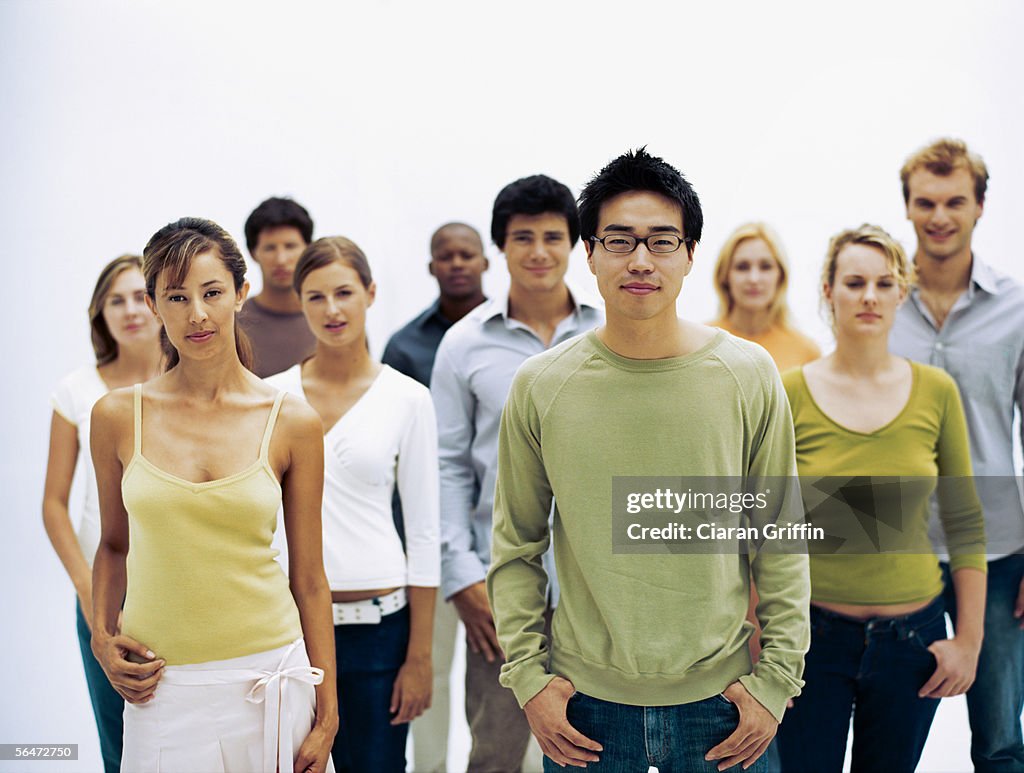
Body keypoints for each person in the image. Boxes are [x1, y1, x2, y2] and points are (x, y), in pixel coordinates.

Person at [487, 148, 810, 773]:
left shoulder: (748, 374)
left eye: (662, 241)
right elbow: (516, 545)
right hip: (584, 710)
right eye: (619, 240)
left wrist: (776, 683)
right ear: (590, 253)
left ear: (690, 254)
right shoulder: (540, 384)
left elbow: (780, 537)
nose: (640, 260)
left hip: (723, 705)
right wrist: (528, 679)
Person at [90, 217, 337, 773]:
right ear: (154, 305)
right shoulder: (115, 417)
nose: (196, 314)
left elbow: (311, 578)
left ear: (240, 293)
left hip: (271, 679)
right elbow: (111, 546)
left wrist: (327, 717)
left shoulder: (293, 421)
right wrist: (102, 640)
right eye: (176, 297)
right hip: (160, 688)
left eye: (211, 293)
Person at [777, 224, 987, 773]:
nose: (869, 295)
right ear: (829, 291)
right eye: (853, 282)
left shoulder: (937, 391)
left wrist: (968, 641)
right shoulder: (789, 392)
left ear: (902, 293)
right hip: (810, 643)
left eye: (883, 283)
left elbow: (965, 522)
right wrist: (762, 643)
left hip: (911, 641)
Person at [431, 174, 602, 772]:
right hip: (501, 588)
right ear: (500, 247)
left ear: (576, 244)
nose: (537, 251)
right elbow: (448, 467)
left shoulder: (613, 334)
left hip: (600, 589)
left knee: (596, 750)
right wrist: (461, 575)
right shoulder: (463, 345)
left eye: (553, 236)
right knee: (496, 752)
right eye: (522, 237)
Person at [268, 236, 440, 773]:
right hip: (286, 629)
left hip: (378, 636)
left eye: (344, 292)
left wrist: (419, 657)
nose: (332, 309)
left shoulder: (409, 398)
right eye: (316, 296)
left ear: (370, 292)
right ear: (300, 302)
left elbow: (426, 532)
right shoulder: (270, 397)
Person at [890, 138, 1024, 772]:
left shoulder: (1017, 310)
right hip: (895, 543)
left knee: (1000, 741)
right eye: (925, 202)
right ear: (908, 208)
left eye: (954, 202)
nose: (939, 216)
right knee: (887, 740)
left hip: (997, 551)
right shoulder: (878, 305)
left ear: (979, 207)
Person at [42, 255, 163, 773]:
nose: (131, 310)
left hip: (179, 588)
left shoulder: (186, 382)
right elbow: (54, 503)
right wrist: (87, 588)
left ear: (159, 305)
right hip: (106, 594)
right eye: (116, 300)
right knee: (120, 745)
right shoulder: (77, 390)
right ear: (99, 313)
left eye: (140, 296)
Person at [381, 221, 488, 773]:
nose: (456, 264)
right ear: (431, 267)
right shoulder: (404, 345)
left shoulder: (503, 335)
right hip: (424, 543)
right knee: (430, 670)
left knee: (499, 683)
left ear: (484, 262)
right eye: (445, 256)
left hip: (496, 540)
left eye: (466, 254)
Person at [710, 222, 820, 371]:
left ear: (780, 276)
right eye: (742, 267)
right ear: (724, 276)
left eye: (766, 266)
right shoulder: (701, 343)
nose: (754, 279)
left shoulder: (807, 352)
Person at [238, 196, 317, 376]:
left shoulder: (332, 319)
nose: (281, 259)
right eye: (270, 248)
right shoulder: (233, 323)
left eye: (290, 246)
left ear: (308, 249)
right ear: (252, 253)